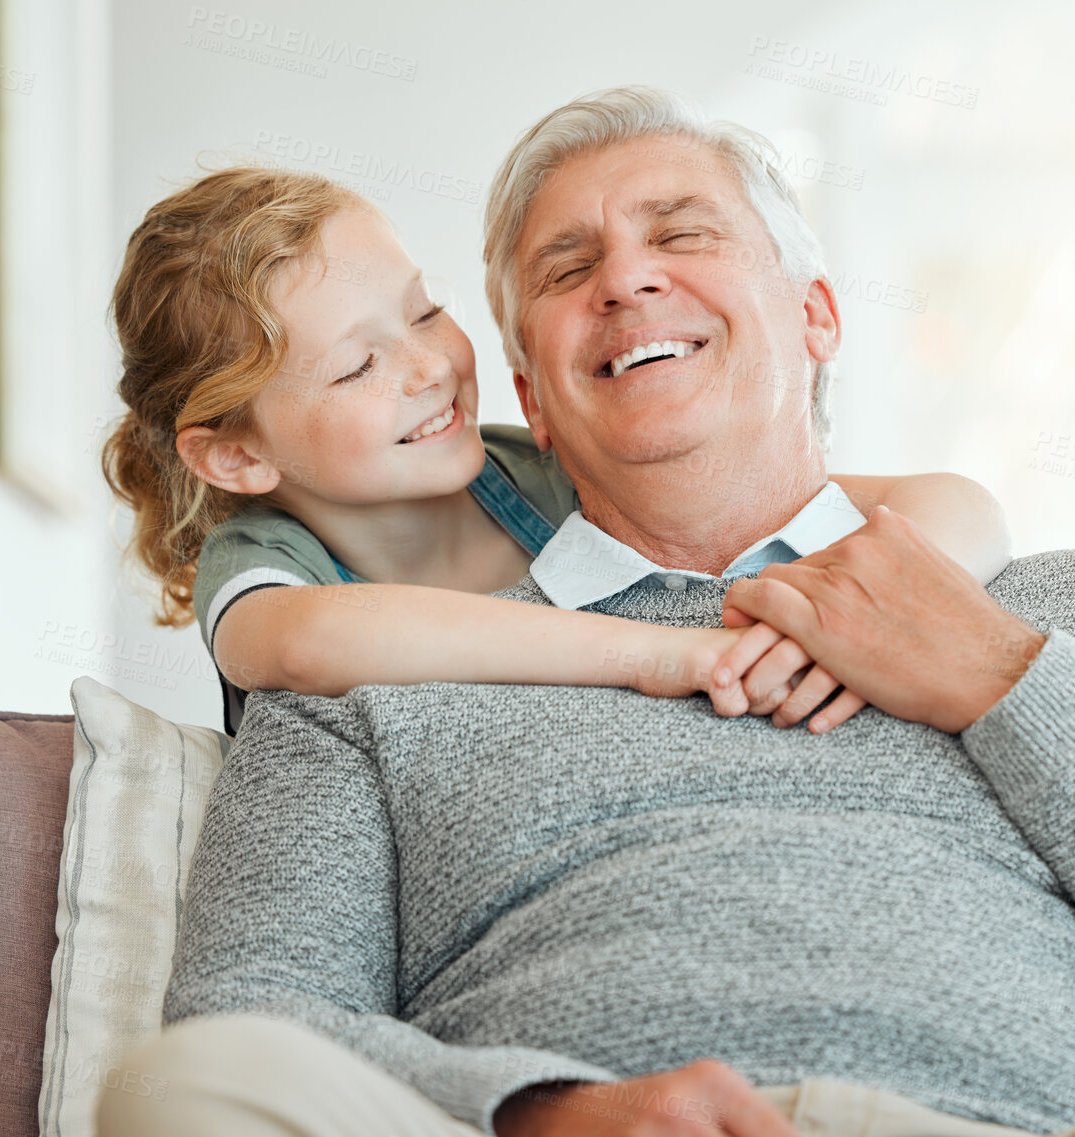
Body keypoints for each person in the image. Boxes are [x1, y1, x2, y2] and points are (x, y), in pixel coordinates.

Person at [98, 87, 1075, 1137]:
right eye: (566, 268)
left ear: (814, 312)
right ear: (524, 373)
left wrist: (1007, 679)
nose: (625, 280)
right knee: (194, 1085)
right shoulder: (380, 664)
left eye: (680, 235)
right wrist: (547, 1109)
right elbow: (251, 1014)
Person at [102, 168, 1013, 737]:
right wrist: (666, 655)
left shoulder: (535, 471)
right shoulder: (266, 567)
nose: (430, 366)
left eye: (424, 311)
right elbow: (301, 645)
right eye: (355, 367)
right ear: (235, 458)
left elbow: (944, 502)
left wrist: (856, 615)